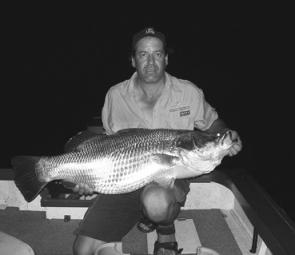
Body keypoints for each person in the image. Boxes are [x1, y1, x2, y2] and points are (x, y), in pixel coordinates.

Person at [72, 27, 242, 255]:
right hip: (124, 175)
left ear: (166, 58)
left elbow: (214, 124)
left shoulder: (188, 92)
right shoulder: (115, 95)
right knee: (82, 251)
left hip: (169, 179)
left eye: (157, 54)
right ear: (133, 60)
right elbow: (108, 143)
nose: (151, 62)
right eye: (143, 54)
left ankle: (164, 230)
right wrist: (88, 177)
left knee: (156, 202)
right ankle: (143, 213)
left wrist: (226, 134)